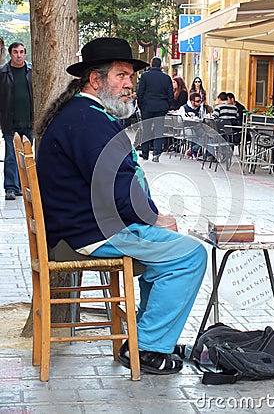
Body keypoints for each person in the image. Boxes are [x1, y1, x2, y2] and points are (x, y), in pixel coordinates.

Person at [35, 37, 207, 375]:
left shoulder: (87, 115)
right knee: (190, 255)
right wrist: (155, 217)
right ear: (95, 80)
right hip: (90, 232)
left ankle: (150, 338)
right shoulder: (86, 121)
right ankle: (146, 348)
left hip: (88, 226)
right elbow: (116, 188)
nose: (129, 85)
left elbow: (120, 182)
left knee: (166, 259)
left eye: (131, 77)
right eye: (121, 76)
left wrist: (152, 215)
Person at [0, 42, 33, 200]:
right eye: (15, 52)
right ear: (10, 54)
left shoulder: (32, 71)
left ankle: (21, 185)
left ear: (25, 53)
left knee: (25, 155)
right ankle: (11, 187)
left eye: (21, 52)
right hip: (10, 121)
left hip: (29, 121)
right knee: (11, 156)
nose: (19, 55)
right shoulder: (3, 73)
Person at [137, 57, 174, 162]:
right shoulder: (166, 78)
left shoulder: (144, 76)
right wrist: (167, 106)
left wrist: (141, 105)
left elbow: (140, 92)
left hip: (147, 107)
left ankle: (145, 153)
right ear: (160, 65)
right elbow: (170, 94)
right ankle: (157, 153)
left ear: (151, 64)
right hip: (161, 107)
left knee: (146, 130)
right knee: (159, 130)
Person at [177, 92, 205, 158]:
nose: (199, 103)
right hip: (186, 127)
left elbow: (202, 118)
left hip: (197, 127)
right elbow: (180, 120)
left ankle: (193, 150)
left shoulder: (200, 108)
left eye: (200, 101)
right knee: (193, 134)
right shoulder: (184, 108)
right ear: (192, 102)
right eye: (197, 101)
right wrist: (191, 119)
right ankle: (193, 151)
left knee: (204, 135)